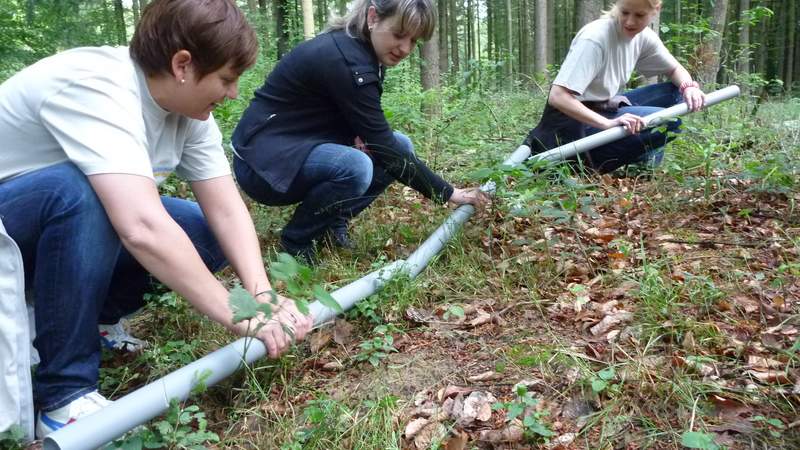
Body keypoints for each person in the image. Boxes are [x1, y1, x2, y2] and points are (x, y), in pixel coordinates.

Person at [0, 0, 312, 439]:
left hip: (44, 236)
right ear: (183, 64)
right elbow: (141, 226)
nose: (234, 93)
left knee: (199, 228)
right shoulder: (99, 86)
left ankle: (96, 322)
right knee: (82, 190)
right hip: (8, 238)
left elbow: (225, 208)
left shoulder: (188, 114)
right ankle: (63, 398)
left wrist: (260, 296)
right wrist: (235, 314)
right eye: (227, 77)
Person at [231, 0, 489, 262]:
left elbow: (333, 112)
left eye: (414, 41)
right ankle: (297, 242)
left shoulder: (362, 49)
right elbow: (385, 149)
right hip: (259, 165)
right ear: (373, 17)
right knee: (357, 166)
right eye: (399, 35)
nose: (405, 49)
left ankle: (332, 223)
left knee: (401, 144)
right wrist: (449, 193)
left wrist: (353, 134)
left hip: (291, 148)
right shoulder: (347, 60)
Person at [523, 0, 706, 173]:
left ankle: (643, 162)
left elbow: (674, 69)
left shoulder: (644, 37)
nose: (629, 21)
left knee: (677, 93)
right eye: (624, 12)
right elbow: (558, 96)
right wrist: (608, 124)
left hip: (605, 105)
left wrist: (689, 87)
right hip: (571, 125)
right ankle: (589, 164)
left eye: (639, 15)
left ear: (655, 11)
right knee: (670, 122)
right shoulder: (595, 38)